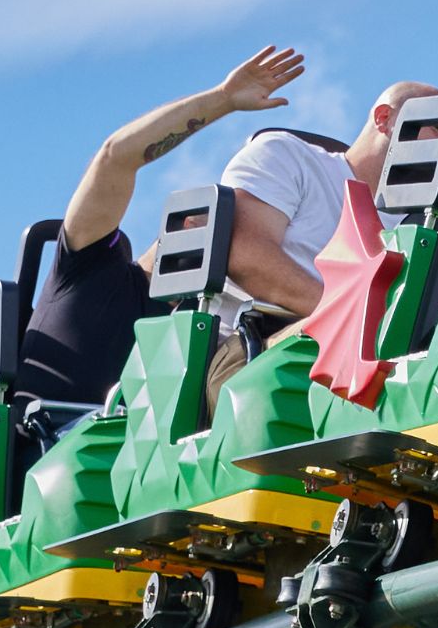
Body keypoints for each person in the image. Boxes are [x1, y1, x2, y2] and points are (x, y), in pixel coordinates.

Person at [28, 46, 310, 407]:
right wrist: (224, 99)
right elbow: (115, 157)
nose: (217, 249)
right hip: (46, 445)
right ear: (184, 221)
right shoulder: (89, 264)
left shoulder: (199, 329)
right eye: (214, 230)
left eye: (227, 243)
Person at [212, 85, 408, 317]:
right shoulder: (288, 155)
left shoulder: (418, 224)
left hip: (361, 346)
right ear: (384, 118)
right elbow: (246, 255)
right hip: (257, 340)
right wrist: (348, 320)